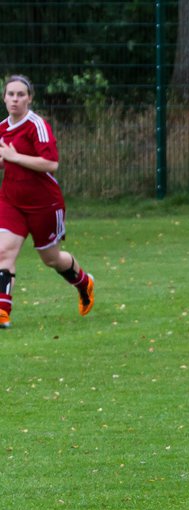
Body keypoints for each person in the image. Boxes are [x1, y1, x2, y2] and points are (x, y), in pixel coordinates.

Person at [0, 74, 96, 329]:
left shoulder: (37, 126)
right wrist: (5, 159)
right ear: (4, 97)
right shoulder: (2, 128)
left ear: (29, 98)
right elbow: (4, 160)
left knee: (51, 259)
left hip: (44, 205)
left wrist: (15, 157)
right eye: (11, 94)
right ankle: (2, 312)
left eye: (21, 95)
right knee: (3, 251)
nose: (15, 99)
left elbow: (50, 163)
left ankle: (84, 282)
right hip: (11, 201)